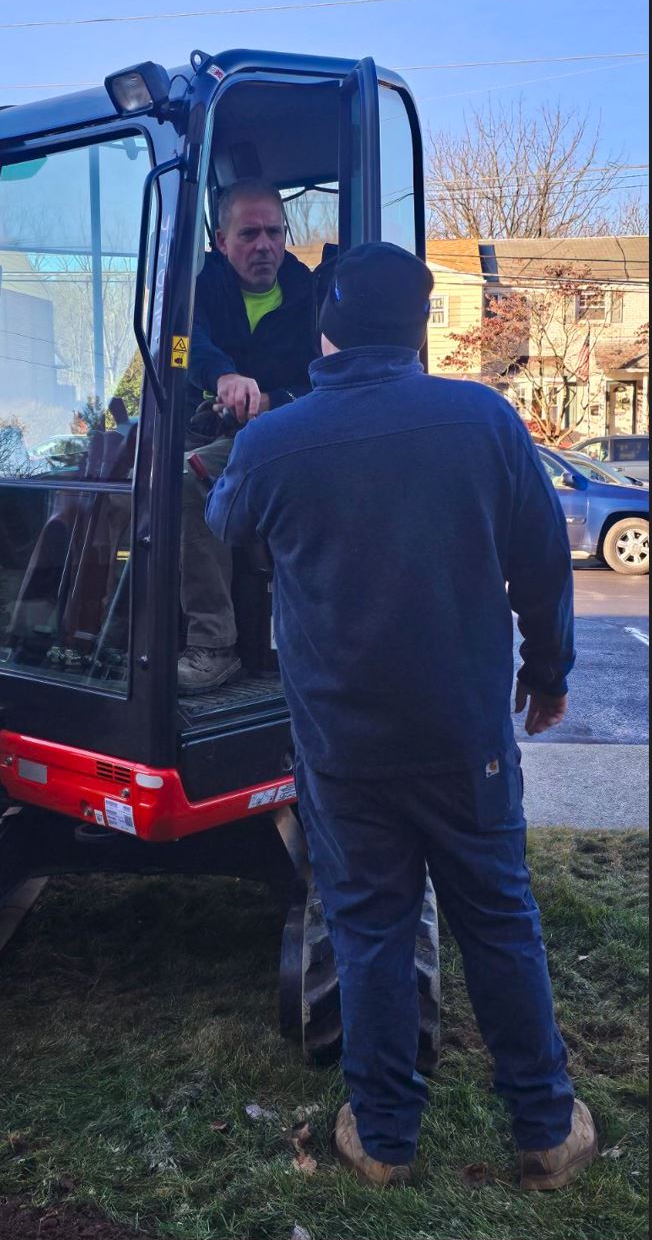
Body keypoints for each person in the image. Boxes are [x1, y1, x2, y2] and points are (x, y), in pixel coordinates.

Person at [205, 242, 597, 1190]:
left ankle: (382, 1138)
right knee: (498, 919)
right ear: (419, 330)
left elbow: (225, 521)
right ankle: (546, 1131)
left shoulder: (274, 443)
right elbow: (544, 563)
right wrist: (547, 675)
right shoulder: (485, 420)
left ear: (327, 327)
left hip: (345, 750)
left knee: (372, 931)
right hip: (467, 741)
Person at [178, 178, 316, 693]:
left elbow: (326, 378)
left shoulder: (310, 296)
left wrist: (271, 401)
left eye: (274, 233)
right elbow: (184, 341)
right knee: (112, 476)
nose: (264, 246)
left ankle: (214, 644)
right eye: (249, 234)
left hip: (289, 433)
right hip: (213, 425)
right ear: (221, 240)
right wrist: (224, 377)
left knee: (189, 479)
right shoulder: (199, 287)